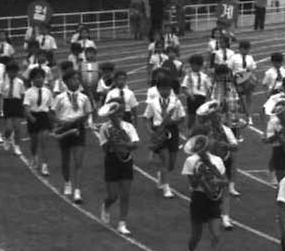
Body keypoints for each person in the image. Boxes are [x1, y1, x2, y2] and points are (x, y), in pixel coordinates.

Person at [181, 133, 226, 251]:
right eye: (197, 144)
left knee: (217, 235)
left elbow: (224, 181)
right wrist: (199, 176)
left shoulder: (217, 160)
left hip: (213, 198)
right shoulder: (190, 161)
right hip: (199, 198)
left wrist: (212, 176)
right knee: (196, 236)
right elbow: (193, 185)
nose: (200, 147)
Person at [192, 100, 241, 228]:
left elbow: (236, 147)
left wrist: (228, 145)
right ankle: (209, 213)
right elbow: (195, 146)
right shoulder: (204, 131)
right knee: (209, 189)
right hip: (209, 163)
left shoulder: (226, 129)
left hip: (224, 161)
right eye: (216, 114)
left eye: (219, 114)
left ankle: (225, 217)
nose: (219, 116)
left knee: (225, 189)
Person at [96, 101, 139, 235]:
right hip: (112, 160)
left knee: (125, 194)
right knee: (113, 195)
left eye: (119, 113)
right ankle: (106, 206)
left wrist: (124, 141)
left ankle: (122, 223)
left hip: (126, 160)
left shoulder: (128, 127)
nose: (116, 116)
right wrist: (111, 141)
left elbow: (135, 145)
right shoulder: (104, 128)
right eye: (113, 114)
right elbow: (104, 148)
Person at [52, 70, 93, 203]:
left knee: (78, 162)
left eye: (77, 79)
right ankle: (67, 181)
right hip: (64, 128)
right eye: (73, 79)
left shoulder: (84, 97)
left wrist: (80, 119)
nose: (76, 82)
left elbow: (88, 113)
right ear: (66, 82)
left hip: (78, 128)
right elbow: (52, 114)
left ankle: (77, 191)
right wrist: (60, 122)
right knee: (65, 160)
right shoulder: (59, 98)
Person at [144, 70, 186, 198]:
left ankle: (161, 176)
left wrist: (173, 121)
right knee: (165, 159)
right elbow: (146, 118)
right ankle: (167, 188)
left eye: (167, 89)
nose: (165, 91)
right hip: (159, 131)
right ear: (158, 89)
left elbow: (182, 118)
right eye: (162, 89)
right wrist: (150, 131)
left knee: (171, 163)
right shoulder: (153, 103)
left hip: (172, 131)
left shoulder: (176, 102)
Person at [24, 65, 54, 176]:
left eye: (41, 77)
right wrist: (31, 118)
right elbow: (26, 108)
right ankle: (34, 156)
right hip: (33, 117)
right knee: (34, 142)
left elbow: (51, 107)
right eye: (36, 77)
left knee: (44, 142)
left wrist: (53, 120)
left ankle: (45, 166)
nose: (39, 79)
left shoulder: (47, 91)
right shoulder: (29, 92)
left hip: (44, 117)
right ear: (32, 80)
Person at [0, 59, 28, 158]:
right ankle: (7, 138)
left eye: (15, 71)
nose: (13, 73)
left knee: (18, 128)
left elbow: (23, 95)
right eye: (11, 71)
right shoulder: (2, 83)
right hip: (8, 104)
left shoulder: (20, 82)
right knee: (9, 128)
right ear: (7, 72)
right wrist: (1, 109)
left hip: (17, 104)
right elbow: (0, 96)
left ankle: (17, 146)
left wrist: (23, 107)